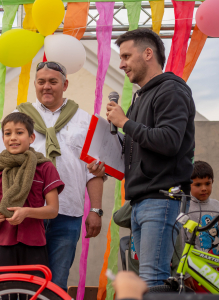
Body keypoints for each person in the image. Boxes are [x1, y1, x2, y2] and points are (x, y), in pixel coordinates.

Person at [89, 28, 195, 287]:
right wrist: (108, 156)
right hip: (142, 200)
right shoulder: (141, 97)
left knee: (153, 279)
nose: (121, 64)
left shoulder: (170, 90)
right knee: (146, 279)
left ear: (148, 53)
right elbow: (142, 145)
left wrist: (125, 122)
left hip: (162, 198)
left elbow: (169, 141)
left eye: (126, 56)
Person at [0, 61, 104, 290]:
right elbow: (1, 167)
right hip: (24, 214)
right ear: (35, 84)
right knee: (24, 282)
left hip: (67, 213)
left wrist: (95, 210)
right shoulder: (17, 119)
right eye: (41, 81)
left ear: (65, 84)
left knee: (57, 282)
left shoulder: (84, 120)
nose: (47, 86)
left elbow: (92, 171)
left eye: (53, 82)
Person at [0, 112, 64, 278]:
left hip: (34, 243)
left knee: (34, 293)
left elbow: (53, 210)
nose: (13, 138)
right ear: (3, 138)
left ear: (31, 137)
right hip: (2, 243)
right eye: (8, 133)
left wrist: (27, 212)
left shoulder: (45, 168)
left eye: (19, 132)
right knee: (2, 293)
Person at [183, 161, 219, 293]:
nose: (204, 188)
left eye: (207, 184)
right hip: (197, 270)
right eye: (198, 184)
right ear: (188, 185)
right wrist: (186, 274)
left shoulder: (217, 206)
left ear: (212, 182)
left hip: (216, 265)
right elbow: (182, 243)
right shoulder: (185, 208)